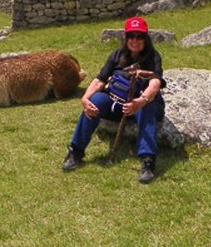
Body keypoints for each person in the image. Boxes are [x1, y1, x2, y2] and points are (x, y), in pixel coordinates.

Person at [62, 16, 165, 184]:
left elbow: (155, 82)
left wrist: (141, 101)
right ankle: (76, 151)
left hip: (140, 104)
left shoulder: (153, 57)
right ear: (125, 38)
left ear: (146, 38)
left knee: (147, 109)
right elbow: (100, 80)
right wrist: (85, 99)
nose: (135, 40)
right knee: (94, 102)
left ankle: (148, 161)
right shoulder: (117, 55)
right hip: (116, 102)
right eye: (131, 36)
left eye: (139, 36)